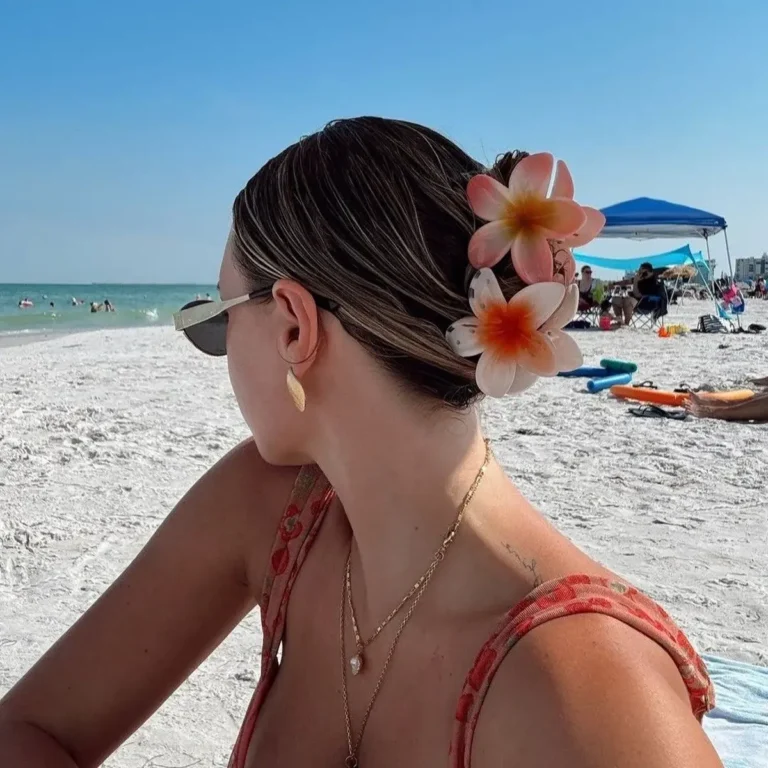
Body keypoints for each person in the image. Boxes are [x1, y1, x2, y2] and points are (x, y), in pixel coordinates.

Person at [0, 118, 720, 768]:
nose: (219, 350)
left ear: (292, 327)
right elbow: (32, 728)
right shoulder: (274, 506)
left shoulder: (587, 697)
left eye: (216, 320)